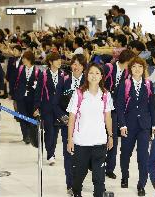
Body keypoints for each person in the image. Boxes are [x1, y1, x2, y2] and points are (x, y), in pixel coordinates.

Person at [67, 63, 114, 197]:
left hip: (99, 142)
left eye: (97, 73)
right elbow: (72, 118)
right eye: (91, 73)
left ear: (101, 76)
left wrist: (110, 136)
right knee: (79, 175)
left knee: (99, 178)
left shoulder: (105, 95)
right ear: (87, 75)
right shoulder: (79, 94)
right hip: (81, 142)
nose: (94, 76)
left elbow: (108, 117)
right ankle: (76, 192)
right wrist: (70, 139)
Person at [117, 56, 155, 196]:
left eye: (140, 67)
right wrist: (121, 124)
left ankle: (141, 184)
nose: (137, 69)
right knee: (125, 153)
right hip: (128, 124)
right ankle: (124, 176)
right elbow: (120, 106)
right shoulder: (125, 84)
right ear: (130, 69)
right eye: (134, 66)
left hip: (144, 126)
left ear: (143, 68)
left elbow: (152, 105)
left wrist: (154, 124)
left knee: (143, 156)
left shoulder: (148, 84)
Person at [53, 54, 86, 196]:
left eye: (79, 64)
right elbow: (55, 103)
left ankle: (79, 181)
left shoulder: (89, 80)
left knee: (83, 156)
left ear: (84, 67)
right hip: (67, 125)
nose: (76, 66)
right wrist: (63, 117)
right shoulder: (64, 80)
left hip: (85, 126)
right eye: (74, 63)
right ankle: (70, 184)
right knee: (69, 155)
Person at [104, 49, 136, 180]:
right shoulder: (108, 68)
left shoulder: (128, 73)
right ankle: (94, 162)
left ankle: (109, 168)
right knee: (100, 136)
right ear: (127, 61)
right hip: (103, 105)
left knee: (114, 138)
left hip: (117, 108)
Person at [34, 52, 65, 165]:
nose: (59, 62)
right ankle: (50, 155)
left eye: (60, 59)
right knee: (49, 132)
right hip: (46, 107)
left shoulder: (63, 75)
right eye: (57, 60)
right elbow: (38, 91)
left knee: (56, 132)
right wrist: (36, 107)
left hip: (59, 109)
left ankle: (51, 153)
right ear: (51, 62)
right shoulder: (44, 75)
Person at [14, 51, 40, 144]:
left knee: (31, 117)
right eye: (23, 58)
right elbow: (15, 81)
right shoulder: (20, 69)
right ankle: (26, 136)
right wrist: (14, 95)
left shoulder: (37, 71)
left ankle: (31, 135)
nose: (23, 60)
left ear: (30, 59)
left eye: (25, 58)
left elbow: (39, 86)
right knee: (22, 117)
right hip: (21, 97)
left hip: (32, 98)